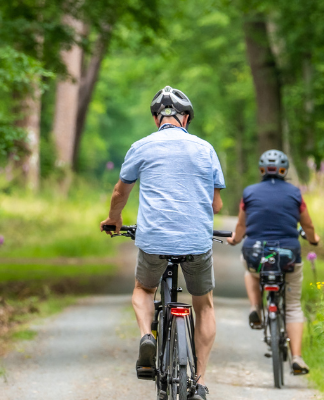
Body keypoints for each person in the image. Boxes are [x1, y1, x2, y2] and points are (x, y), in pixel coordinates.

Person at [100, 86, 225, 400]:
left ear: (157, 118)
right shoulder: (205, 149)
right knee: (204, 303)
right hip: (197, 241)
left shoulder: (142, 146)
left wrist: (114, 219)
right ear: (186, 118)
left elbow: (120, 192)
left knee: (144, 289)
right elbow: (217, 205)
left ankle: (146, 336)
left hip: (154, 239)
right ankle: (198, 382)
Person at [226, 149, 319, 375]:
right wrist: (314, 239)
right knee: (294, 306)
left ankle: (256, 307)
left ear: (261, 170)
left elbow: (241, 226)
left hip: (256, 254)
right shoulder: (295, 193)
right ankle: (297, 357)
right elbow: (307, 225)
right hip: (288, 255)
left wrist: (235, 239)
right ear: (284, 170)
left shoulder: (249, 193)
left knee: (249, 269)